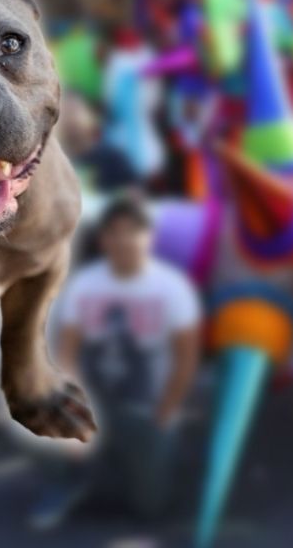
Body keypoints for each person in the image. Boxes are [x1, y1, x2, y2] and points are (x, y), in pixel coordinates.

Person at [29, 195, 202, 530]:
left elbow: (186, 359)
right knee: (34, 403)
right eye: (114, 232)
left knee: (149, 507)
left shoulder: (173, 287)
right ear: (103, 239)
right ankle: (66, 481)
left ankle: (131, 467)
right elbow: (67, 353)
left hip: (144, 405)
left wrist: (166, 413)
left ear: (149, 237)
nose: (123, 240)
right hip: (95, 399)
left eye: (132, 231)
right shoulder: (85, 283)